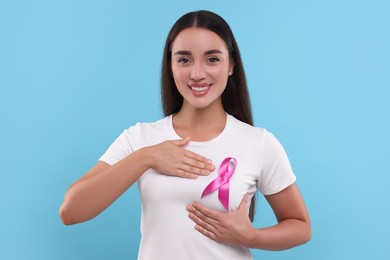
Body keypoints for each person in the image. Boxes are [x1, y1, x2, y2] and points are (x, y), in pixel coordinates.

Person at [59, 10, 311, 259]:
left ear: (231, 65)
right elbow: (71, 211)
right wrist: (146, 158)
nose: (197, 73)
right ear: (170, 65)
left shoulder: (258, 143)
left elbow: (300, 226)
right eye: (184, 59)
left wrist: (251, 237)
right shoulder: (140, 138)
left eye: (212, 59)